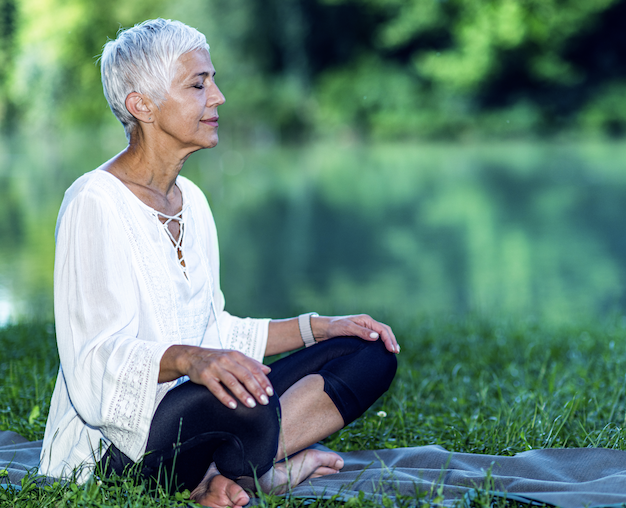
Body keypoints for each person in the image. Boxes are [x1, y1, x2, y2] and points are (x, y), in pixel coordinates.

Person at [39, 18, 399, 508]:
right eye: (198, 84)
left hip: (197, 417)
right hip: (113, 449)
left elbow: (217, 331)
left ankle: (227, 472)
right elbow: (92, 364)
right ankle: (256, 470)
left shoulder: (194, 202)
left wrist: (322, 328)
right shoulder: (93, 202)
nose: (219, 97)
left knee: (370, 352)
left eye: (212, 80)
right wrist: (192, 359)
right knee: (241, 405)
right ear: (141, 105)